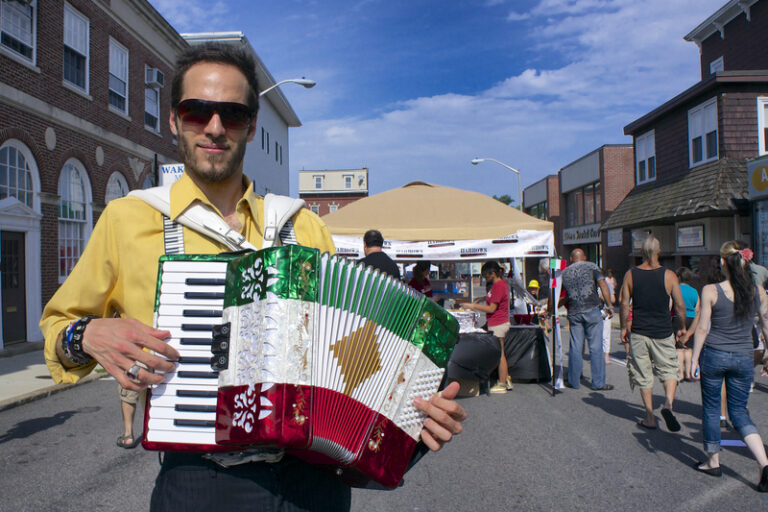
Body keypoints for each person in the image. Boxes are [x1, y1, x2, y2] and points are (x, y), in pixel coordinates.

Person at [40, 43, 466, 511]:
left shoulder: (302, 225)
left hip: (314, 484)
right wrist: (88, 333)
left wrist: (410, 411)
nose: (215, 127)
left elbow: (349, 352)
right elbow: (59, 331)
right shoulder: (128, 219)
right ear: (174, 120)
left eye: (233, 114)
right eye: (197, 111)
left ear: (252, 126)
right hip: (201, 485)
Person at [690, 241, 768, 491]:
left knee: (713, 409)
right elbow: (766, 324)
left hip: (715, 355)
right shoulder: (756, 290)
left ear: (722, 262)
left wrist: (693, 359)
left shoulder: (711, 290)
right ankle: (764, 464)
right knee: (739, 412)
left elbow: (702, 328)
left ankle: (713, 462)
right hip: (744, 357)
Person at [620, 235, 686, 431]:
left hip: (640, 331)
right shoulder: (669, 275)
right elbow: (680, 305)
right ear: (659, 252)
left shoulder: (631, 274)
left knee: (643, 374)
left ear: (641, 253)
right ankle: (668, 405)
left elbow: (624, 303)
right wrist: (681, 326)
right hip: (663, 331)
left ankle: (649, 416)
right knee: (669, 370)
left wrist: (624, 327)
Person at [560, 248, 614, 391]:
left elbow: (561, 295)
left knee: (576, 346)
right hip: (591, 310)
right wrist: (609, 305)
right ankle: (598, 382)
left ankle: (573, 380)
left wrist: (551, 309)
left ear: (571, 258)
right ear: (583, 257)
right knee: (595, 347)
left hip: (574, 312)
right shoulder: (592, 267)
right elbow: (602, 285)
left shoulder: (564, 273)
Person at [461, 261, 513, 394]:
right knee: (500, 352)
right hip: (497, 322)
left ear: (493, 273)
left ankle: (502, 383)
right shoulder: (497, 285)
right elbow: (493, 299)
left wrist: (473, 306)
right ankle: (505, 379)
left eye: (485, 275)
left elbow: (491, 308)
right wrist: (482, 298)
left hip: (498, 323)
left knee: (500, 354)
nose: (484, 278)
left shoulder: (499, 286)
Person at [674, 267, 699, 381]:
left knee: (679, 348)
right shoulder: (694, 291)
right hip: (692, 319)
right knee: (689, 348)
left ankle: (681, 374)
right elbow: (697, 308)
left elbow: (671, 305)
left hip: (678, 318)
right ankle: (688, 374)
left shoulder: (675, 289)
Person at [600, 268, 616, 365]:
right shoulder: (592, 285)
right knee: (596, 335)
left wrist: (602, 296)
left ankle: (606, 355)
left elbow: (613, 299)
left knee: (605, 335)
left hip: (605, 311)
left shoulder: (607, 285)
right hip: (594, 312)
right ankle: (598, 355)